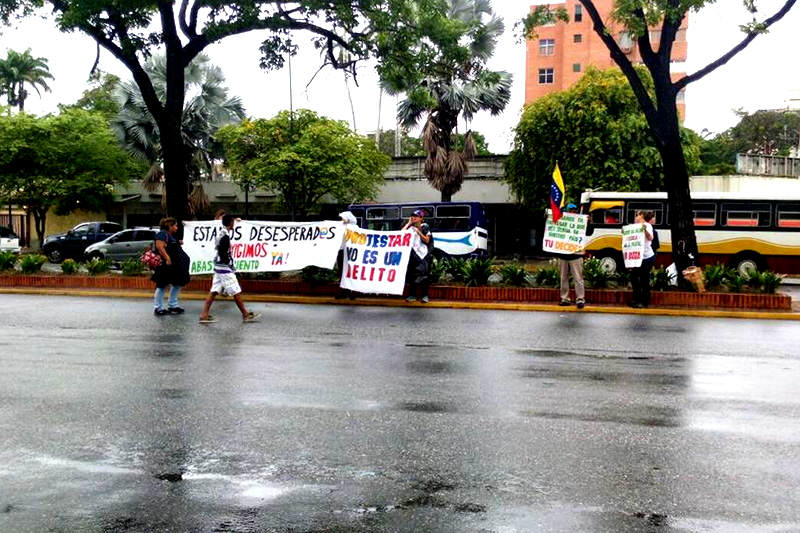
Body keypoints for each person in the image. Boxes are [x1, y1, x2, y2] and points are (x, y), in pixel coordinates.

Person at [199, 214, 261, 323]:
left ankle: (204, 315)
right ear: (230, 223)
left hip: (218, 266)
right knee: (235, 290)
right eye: (233, 222)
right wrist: (230, 265)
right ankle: (246, 314)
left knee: (214, 291)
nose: (234, 224)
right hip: (224, 268)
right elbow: (224, 253)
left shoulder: (221, 232)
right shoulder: (225, 236)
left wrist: (235, 219)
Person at [151, 217, 191, 316]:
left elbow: (172, 245)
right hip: (166, 266)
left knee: (178, 283)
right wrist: (167, 258)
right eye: (175, 225)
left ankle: (173, 305)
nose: (177, 227)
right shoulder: (162, 234)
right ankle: (158, 307)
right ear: (169, 226)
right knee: (162, 285)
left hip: (175, 266)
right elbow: (160, 247)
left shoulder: (170, 235)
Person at [557, 203, 592, 309]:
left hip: (576, 255)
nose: (573, 212)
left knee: (578, 278)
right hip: (563, 254)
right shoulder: (561, 222)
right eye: (570, 211)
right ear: (566, 212)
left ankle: (580, 299)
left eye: (574, 211)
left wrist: (588, 223)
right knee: (563, 278)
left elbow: (588, 232)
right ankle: (565, 298)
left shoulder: (580, 222)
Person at [403, 209, 433, 303]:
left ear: (421, 218)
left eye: (415, 216)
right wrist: (408, 224)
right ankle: (412, 295)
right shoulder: (409, 228)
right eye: (412, 216)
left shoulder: (425, 227)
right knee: (412, 275)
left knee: (423, 276)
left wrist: (418, 232)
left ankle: (425, 296)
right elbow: (401, 234)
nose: (413, 218)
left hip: (423, 254)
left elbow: (427, 240)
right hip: (413, 254)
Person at [629, 210, 656, 308]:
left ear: (642, 216)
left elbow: (650, 238)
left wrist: (645, 230)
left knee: (644, 279)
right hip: (637, 257)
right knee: (634, 278)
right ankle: (636, 299)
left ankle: (644, 302)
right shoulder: (635, 226)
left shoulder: (647, 225)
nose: (636, 217)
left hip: (646, 257)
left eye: (638, 215)